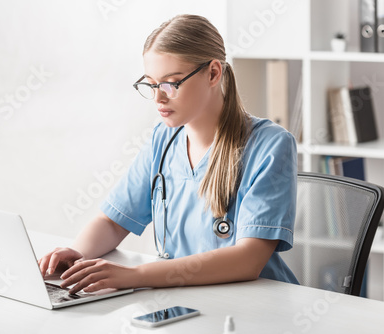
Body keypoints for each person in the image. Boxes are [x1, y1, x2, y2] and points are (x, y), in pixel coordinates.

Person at [38, 14, 298, 295]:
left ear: (213, 73)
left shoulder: (270, 145)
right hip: (185, 297)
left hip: (258, 304)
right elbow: (113, 222)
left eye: (171, 83)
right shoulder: (163, 140)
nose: (158, 98)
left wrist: (135, 275)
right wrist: (77, 253)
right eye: (150, 84)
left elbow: (248, 260)